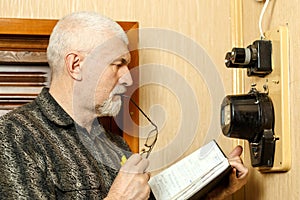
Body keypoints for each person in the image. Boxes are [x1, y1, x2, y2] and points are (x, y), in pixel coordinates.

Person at [0, 11, 248, 199]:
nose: (128, 78)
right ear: (76, 65)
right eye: (117, 64)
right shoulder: (13, 135)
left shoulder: (114, 144)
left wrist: (214, 188)